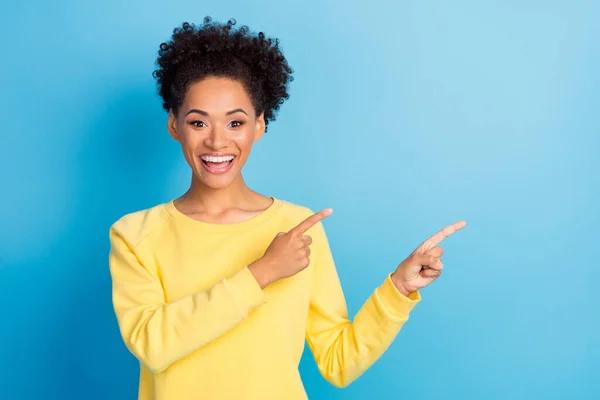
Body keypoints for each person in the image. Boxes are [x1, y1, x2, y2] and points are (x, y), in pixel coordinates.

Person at [108, 17, 466, 400]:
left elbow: (338, 361)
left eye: (235, 122)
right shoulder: (135, 235)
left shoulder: (298, 226)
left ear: (259, 126)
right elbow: (151, 344)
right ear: (174, 125)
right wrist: (261, 272)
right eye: (198, 122)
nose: (216, 141)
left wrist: (399, 289)